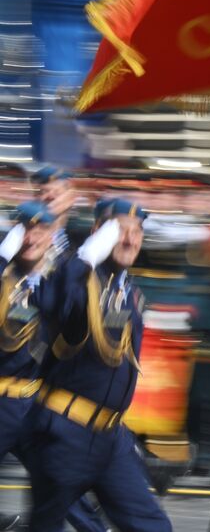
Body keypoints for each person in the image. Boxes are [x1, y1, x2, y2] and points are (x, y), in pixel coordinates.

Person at [26, 198, 171, 531]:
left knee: (153, 526)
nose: (130, 240)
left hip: (111, 438)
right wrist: (87, 254)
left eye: (137, 232)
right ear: (98, 234)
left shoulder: (128, 293)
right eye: (120, 230)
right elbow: (52, 302)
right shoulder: (77, 280)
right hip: (66, 434)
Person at [0, 203, 105, 532]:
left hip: (36, 404)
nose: (32, 238)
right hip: (2, 403)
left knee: (58, 481)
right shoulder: (4, 278)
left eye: (41, 231)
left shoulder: (56, 280)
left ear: (51, 237)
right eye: (25, 230)